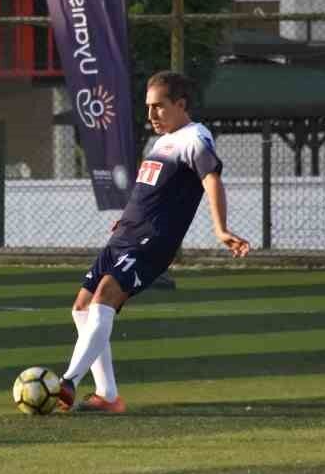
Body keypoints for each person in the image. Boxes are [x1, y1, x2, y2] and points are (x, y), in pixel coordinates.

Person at [55, 70, 250, 414]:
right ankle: (108, 396)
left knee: (105, 296)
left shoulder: (195, 137)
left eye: (159, 106)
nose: (151, 114)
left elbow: (211, 179)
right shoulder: (162, 142)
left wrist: (221, 229)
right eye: (148, 107)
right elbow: (151, 190)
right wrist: (127, 218)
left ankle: (67, 382)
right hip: (125, 235)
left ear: (181, 105)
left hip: (152, 240)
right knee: (81, 308)